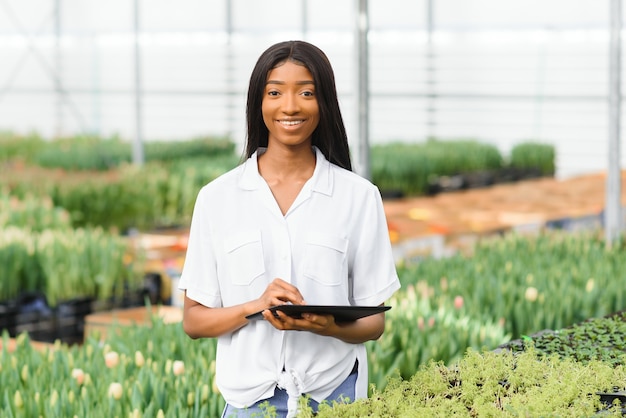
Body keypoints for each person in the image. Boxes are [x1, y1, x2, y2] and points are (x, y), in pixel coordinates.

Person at [179, 40, 400, 418]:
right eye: (275, 92)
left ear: (324, 102)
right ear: (258, 103)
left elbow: (374, 320)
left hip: (335, 399)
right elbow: (194, 319)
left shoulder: (358, 197)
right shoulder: (218, 198)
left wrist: (327, 326)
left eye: (306, 92)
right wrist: (254, 306)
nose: (290, 106)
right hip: (249, 404)